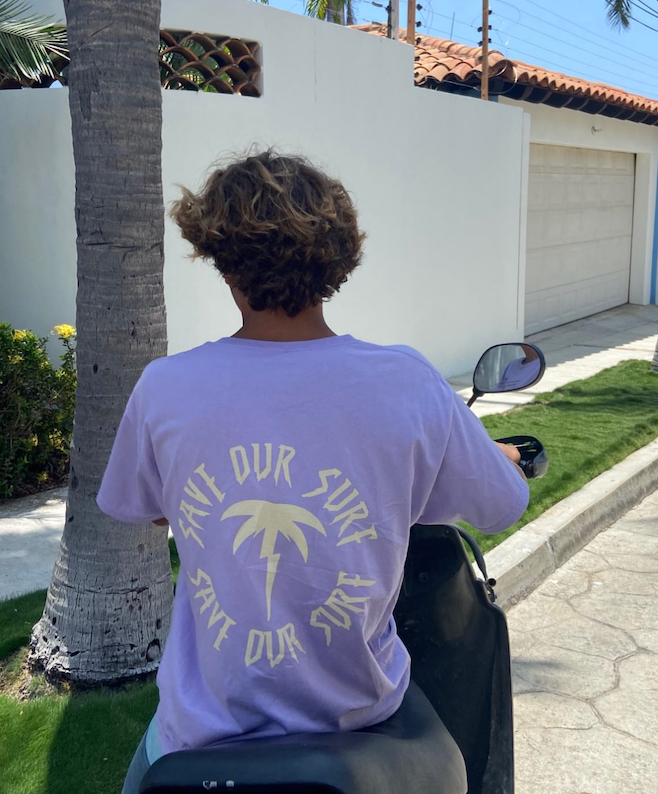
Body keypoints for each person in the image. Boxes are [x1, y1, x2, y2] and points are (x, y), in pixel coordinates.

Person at [96, 151, 529, 794]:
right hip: (362, 721)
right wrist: (495, 457)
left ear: (221, 261)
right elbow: (501, 505)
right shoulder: (404, 380)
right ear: (337, 262)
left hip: (200, 734)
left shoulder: (166, 387)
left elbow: (153, 504)